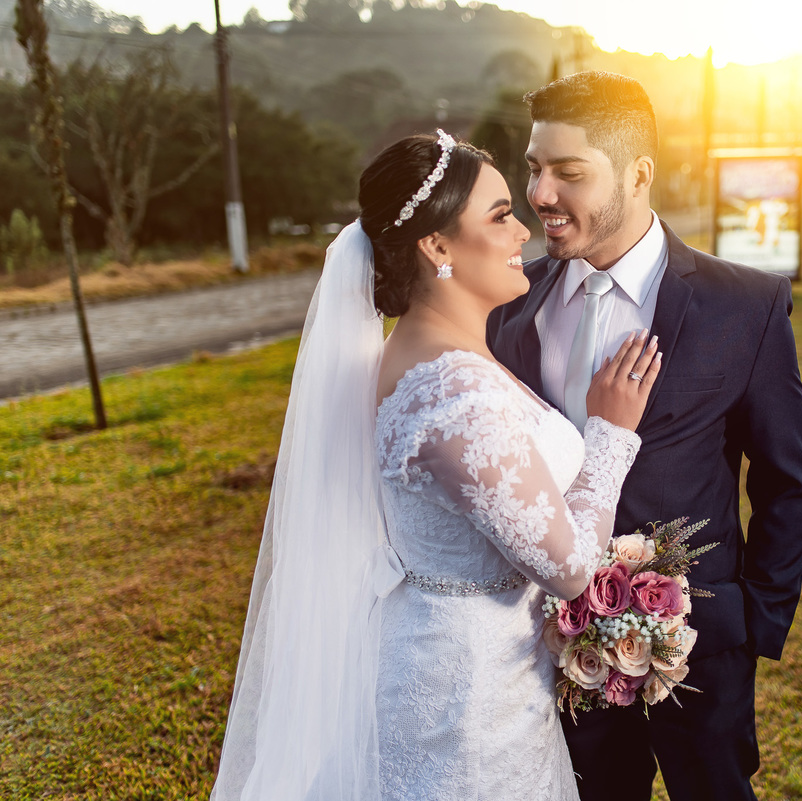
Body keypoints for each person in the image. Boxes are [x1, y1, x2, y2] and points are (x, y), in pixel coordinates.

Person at [210, 131, 661, 801]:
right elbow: (569, 569)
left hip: (481, 673)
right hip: (464, 708)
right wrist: (611, 435)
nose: (521, 231)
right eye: (500, 214)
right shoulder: (452, 394)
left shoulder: (427, 357)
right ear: (438, 245)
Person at [488, 72, 802, 801]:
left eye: (569, 173)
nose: (540, 193)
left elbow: (785, 480)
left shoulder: (745, 305)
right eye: (534, 168)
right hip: (549, 649)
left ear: (639, 174)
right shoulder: (510, 303)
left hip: (700, 649)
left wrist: (752, 618)